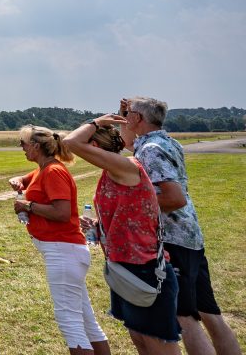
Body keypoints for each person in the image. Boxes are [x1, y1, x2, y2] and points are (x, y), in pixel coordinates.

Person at [119, 97, 240, 355]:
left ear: (138, 118)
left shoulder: (150, 149)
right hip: (190, 236)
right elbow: (128, 142)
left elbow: (174, 198)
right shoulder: (164, 141)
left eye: (128, 114)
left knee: (185, 319)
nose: (125, 118)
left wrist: (133, 206)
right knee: (210, 313)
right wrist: (123, 115)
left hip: (174, 239)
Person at [63, 116, 180, 354]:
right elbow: (128, 212)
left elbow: (70, 142)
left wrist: (96, 122)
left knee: (157, 344)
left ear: (94, 148)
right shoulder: (112, 170)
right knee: (141, 340)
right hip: (124, 267)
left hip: (145, 269)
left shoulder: (125, 166)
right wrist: (97, 224)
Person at [9, 125, 109, 355]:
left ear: (35, 146)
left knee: (70, 323)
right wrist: (18, 181)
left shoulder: (53, 171)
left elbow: (62, 213)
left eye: (23, 144)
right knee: (86, 322)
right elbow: (25, 180)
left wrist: (28, 206)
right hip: (66, 251)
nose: (21, 148)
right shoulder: (43, 169)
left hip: (62, 252)